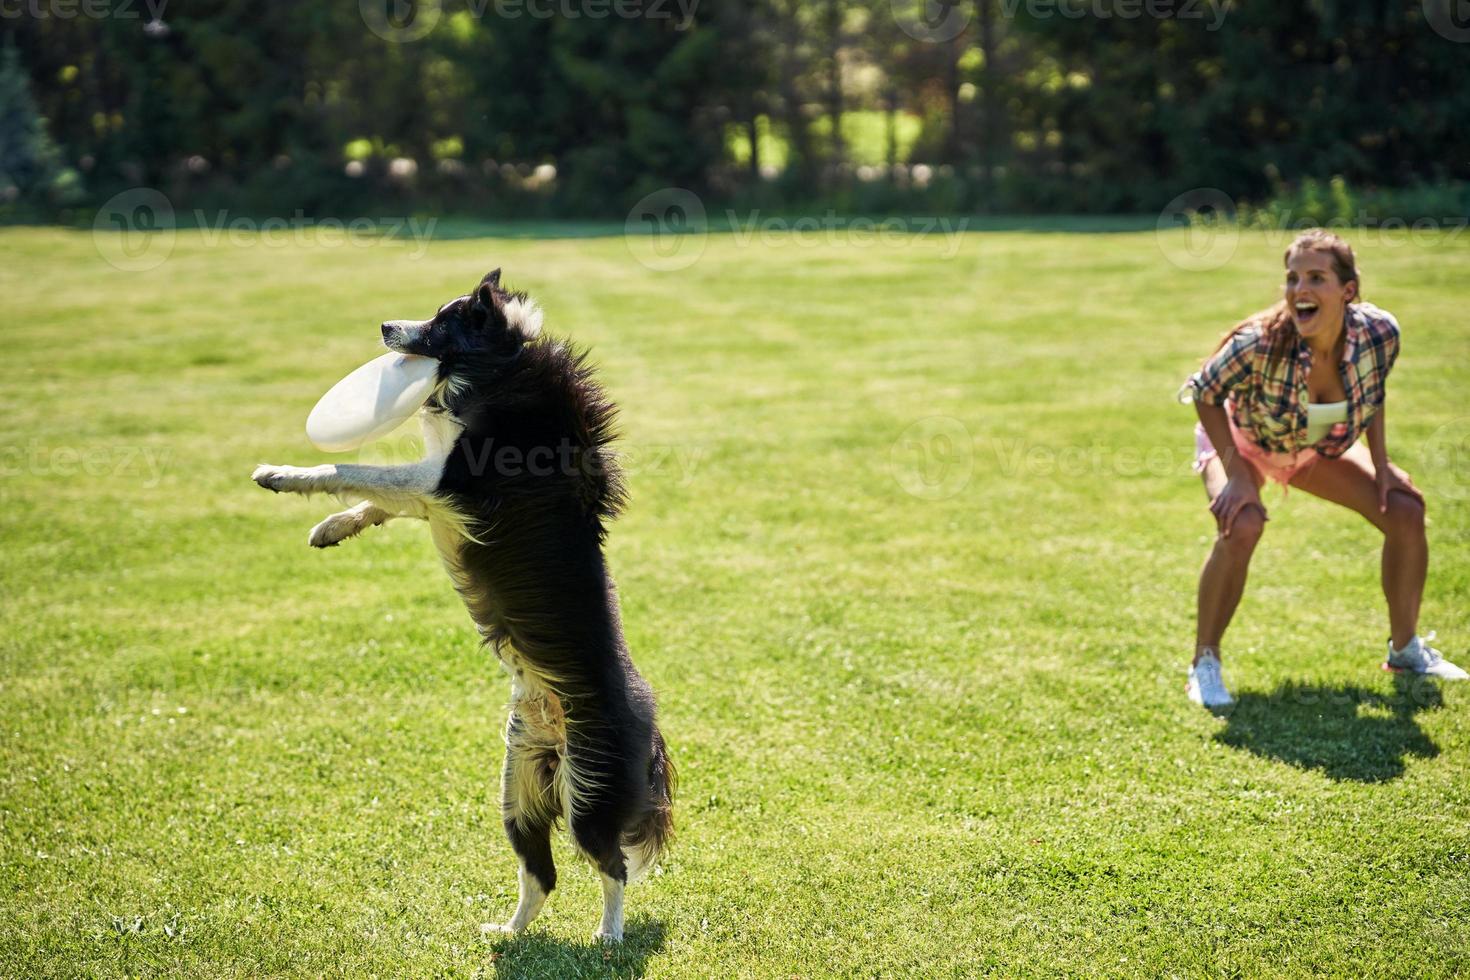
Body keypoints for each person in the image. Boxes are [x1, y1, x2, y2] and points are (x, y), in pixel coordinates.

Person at [1179, 229, 1466, 708]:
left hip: (1309, 446)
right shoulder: (1259, 342)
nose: (1299, 290)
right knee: (1242, 524)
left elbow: (1372, 394)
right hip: (1243, 442)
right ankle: (1204, 663)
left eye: (1316, 277)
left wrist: (1382, 466)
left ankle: (1405, 650)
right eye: (1292, 279)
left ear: (1347, 291)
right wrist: (1231, 474)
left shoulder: (1379, 333)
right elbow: (1205, 393)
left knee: (1404, 509)